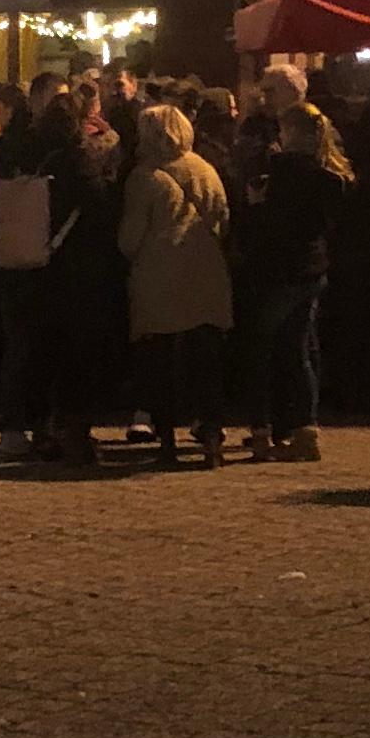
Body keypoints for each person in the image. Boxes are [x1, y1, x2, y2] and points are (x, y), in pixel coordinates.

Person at [117, 100, 234, 467]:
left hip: (159, 277)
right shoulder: (206, 169)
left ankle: (167, 443)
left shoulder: (145, 177)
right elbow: (223, 221)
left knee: (159, 363)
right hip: (206, 273)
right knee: (207, 364)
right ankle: (211, 440)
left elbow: (131, 237)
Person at [235, 83, 347, 462]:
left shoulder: (280, 171)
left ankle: (263, 430)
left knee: (259, 351)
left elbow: (270, 225)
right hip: (311, 270)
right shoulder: (330, 176)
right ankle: (305, 429)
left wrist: (254, 205)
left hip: (276, 271)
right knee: (298, 350)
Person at [33, 85, 133, 466]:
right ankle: (73, 432)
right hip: (81, 269)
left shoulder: (40, 157)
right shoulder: (80, 160)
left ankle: (49, 429)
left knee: (50, 352)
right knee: (80, 354)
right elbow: (99, 209)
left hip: (45, 264)